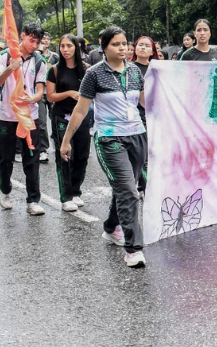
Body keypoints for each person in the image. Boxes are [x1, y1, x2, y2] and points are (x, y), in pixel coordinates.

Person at [60, 26, 148, 268]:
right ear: (104, 48)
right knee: (130, 192)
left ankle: (111, 227)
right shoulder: (94, 74)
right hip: (109, 139)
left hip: (137, 136)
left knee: (124, 189)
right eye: (116, 44)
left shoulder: (135, 72)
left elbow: (145, 102)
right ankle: (134, 249)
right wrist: (66, 141)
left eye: (124, 44)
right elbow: (80, 110)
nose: (123, 48)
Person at [0, 22, 47, 215]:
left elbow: (40, 91)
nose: (34, 45)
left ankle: (33, 200)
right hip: (7, 115)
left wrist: (33, 98)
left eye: (37, 42)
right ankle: (5, 191)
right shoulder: (4, 56)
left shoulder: (40, 61)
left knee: (32, 158)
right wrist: (9, 68)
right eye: (31, 40)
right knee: (5, 159)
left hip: (30, 116)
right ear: (22, 35)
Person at [47, 34, 90, 211]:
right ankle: (66, 196)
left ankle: (76, 190)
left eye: (69, 46)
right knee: (64, 155)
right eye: (62, 46)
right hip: (61, 117)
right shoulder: (55, 70)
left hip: (82, 116)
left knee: (82, 155)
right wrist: (68, 93)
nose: (65, 50)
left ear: (77, 48)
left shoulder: (87, 69)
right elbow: (50, 96)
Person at [130, 35, 159, 195]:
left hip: (155, 116)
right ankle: (145, 188)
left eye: (147, 46)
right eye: (140, 45)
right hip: (135, 116)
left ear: (152, 51)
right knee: (141, 154)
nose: (143, 48)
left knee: (152, 153)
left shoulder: (157, 69)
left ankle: (146, 185)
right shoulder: (128, 68)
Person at [36, 32, 57, 163]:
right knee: (42, 122)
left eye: (48, 39)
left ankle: (59, 142)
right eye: (43, 39)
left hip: (53, 93)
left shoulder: (55, 57)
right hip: (40, 94)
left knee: (56, 119)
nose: (46, 41)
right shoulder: (35, 56)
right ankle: (43, 149)